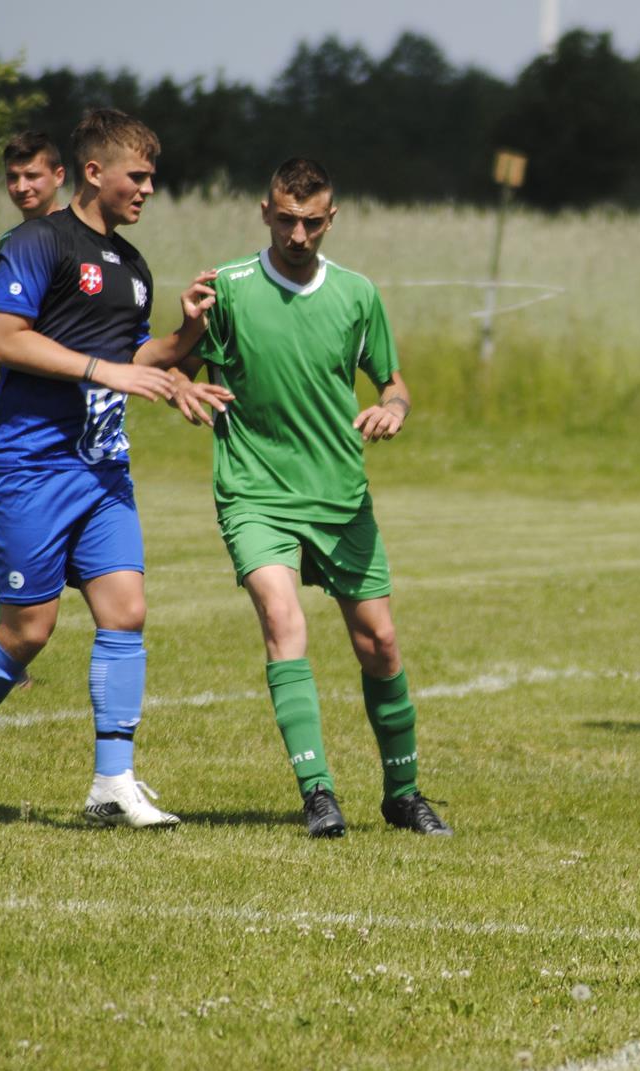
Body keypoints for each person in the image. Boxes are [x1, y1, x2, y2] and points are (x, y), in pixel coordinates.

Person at [0, 109, 227, 828]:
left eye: (152, 177)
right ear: (94, 172)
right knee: (28, 631)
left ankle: (111, 784)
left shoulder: (135, 268)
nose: (148, 189)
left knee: (126, 611)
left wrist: (185, 343)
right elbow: (5, 339)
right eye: (137, 176)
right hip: (30, 465)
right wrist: (101, 371)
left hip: (102, 470)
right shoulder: (37, 242)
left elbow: (134, 357)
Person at [164, 157, 451, 839]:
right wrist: (183, 382)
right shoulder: (225, 288)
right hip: (254, 490)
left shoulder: (357, 294)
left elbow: (394, 381)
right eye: (286, 219)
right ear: (265, 211)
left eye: (311, 221)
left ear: (332, 218)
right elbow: (169, 365)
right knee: (282, 617)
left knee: (379, 642)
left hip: (339, 494)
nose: (298, 234)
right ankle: (317, 790)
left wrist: (395, 407)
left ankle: (403, 794)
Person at [0, 133, 68, 685]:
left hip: (71, 418)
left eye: (32, 175)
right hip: (19, 415)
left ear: (60, 176)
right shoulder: (13, 240)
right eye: (13, 177)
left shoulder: (79, 240)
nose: (21, 186)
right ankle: (10, 663)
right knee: (0, 536)